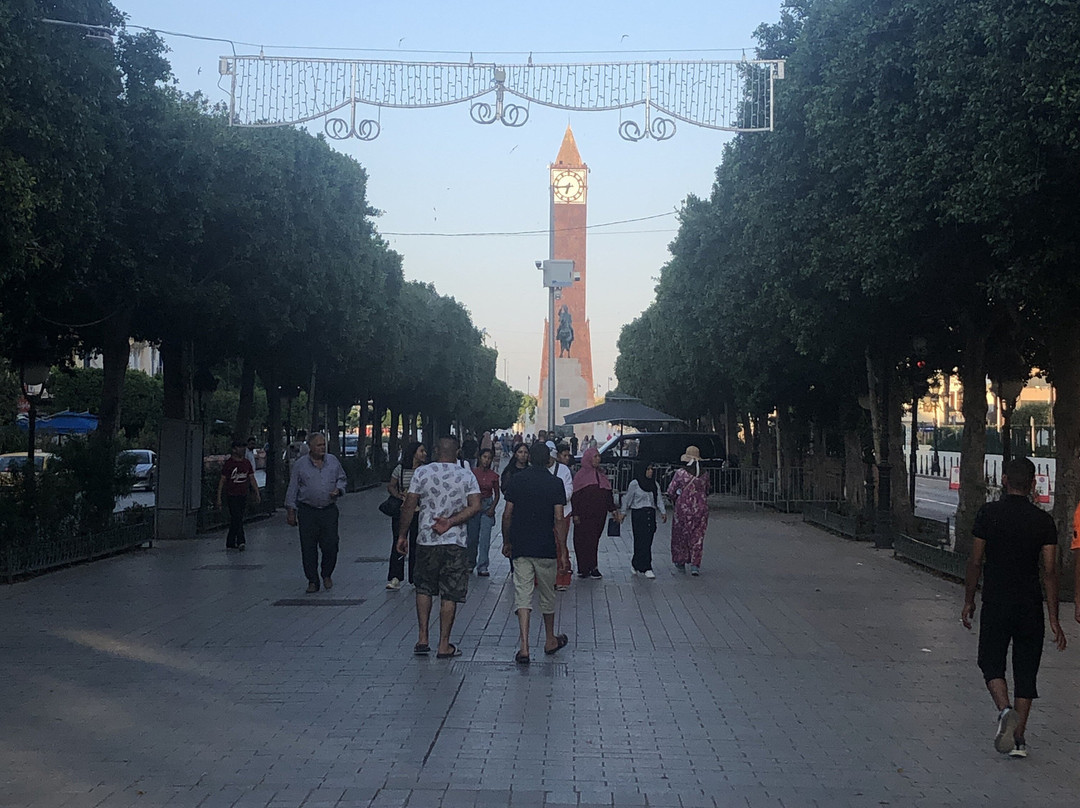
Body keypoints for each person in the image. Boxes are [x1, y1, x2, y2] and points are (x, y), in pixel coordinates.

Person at [962, 457, 1066, 757]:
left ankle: (1005, 710)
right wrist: (1055, 618)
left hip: (996, 601)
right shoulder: (1043, 522)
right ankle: (1018, 739)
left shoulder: (988, 514)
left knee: (990, 661)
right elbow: (1049, 571)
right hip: (1029, 605)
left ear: (1004, 480)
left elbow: (975, 561)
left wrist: (969, 599)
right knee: (1026, 671)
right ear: (1033, 484)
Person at [397, 436, 481, 658]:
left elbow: (409, 504)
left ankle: (423, 637)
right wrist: (452, 521)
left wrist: (402, 535)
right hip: (454, 541)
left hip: (426, 539)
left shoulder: (422, 473)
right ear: (458, 452)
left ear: (435, 450)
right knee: (450, 593)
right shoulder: (466, 475)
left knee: (424, 587)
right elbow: (475, 506)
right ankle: (444, 644)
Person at [502, 441, 570, 663]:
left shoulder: (517, 480)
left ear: (530, 457)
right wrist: (562, 550)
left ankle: (524, 646)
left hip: (521, 545)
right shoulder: (555, 483)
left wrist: (506, 541)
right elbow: (559, 518)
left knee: (522, 595)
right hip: (545, 546)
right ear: (549, 459)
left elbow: (507, 513)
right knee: (548, 595)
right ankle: (550, 638)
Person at [285, 432, 348, 593]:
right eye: (319, 445)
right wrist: (291, 510)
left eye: (324, 445)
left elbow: (342, 478)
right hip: (308, 511)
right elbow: (293, 487)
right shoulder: (300, 465)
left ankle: (326, 573)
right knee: (308, 547)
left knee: (331, 544)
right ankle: (312, 580)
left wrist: (338, 490)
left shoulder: (332, 461)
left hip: (328, 510)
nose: (322, 448)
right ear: (310, 447)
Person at [571, 445, 621, 579]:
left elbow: (607, 494)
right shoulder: (580, 476)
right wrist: (575, 514)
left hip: (599, 515)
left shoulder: (601, 475)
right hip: (583, 515)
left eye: (599, 456)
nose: (598, 459)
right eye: (595, 456)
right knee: (582, 540)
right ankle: (585, 568)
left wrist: (613, 510)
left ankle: (593, 566)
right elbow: (575, 496)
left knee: (594, 540)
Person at [385, 442, 427, 590]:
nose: (424, 454)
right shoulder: (400, 469)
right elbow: (391, 485)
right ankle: (395, 576)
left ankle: (415, 576)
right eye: (421, 451)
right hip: (402, 511)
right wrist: (399, 495)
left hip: (418, 512)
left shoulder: (424, 471)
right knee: (398, 541)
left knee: (417, 544)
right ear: (413, 452)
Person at [666, 446, 710, 575]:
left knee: (680, 535)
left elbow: (671, 490)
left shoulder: (681, 473)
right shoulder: (705, 474)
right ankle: (695, 565)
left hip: (683, 507)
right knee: (698, 536)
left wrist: (675, 499)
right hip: (701, 508)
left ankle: (680, 560)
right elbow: (707, 490)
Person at [622, 464, 667, 578]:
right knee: (640, 540)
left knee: (648, 540)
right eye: (648, 469)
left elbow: (659, 499)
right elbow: (627, 499)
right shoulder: (635, 484)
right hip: (638, 514)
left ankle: (641, 564)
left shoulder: (654, 484)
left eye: (651, 469)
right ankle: (644, 566)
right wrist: (623, 512)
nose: (650, 471)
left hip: (650, 514)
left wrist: (663, 512)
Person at [216, 438, 260, 551]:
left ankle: (230, 540)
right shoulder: (229, 464)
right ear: (234, 449)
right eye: (240, 447)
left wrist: (256, 492)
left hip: (243, 494)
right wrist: (219, 497)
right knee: (237, 516)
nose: (243, 450)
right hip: (231, 494)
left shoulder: (246, 463)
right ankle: (241, 540)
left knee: (237, 517)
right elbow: (222, 480)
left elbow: (251, 478)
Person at [466, 447, 500, 577]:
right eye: (484, 457)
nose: (486, 460)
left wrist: (492, 508)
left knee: (485, 537)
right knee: (472, 537)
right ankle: (470, 562)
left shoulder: (494, 476)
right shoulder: (472, 473)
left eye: (489, 458)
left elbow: (497, 494)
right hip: (474, 504)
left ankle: (483, 565)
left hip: (487, 506)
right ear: (480, 458)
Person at [554, 443, 576, 589]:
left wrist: (556, 499)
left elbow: (569, 490)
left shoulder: (565, 471)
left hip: (563, 511)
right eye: (564, 455)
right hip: (546, 512)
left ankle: (562, 576)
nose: (566, 458)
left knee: (561, 543)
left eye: (568, 455)